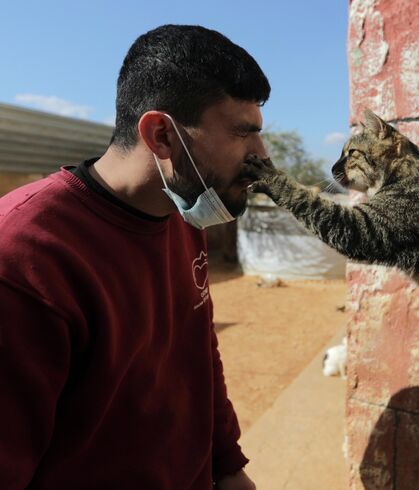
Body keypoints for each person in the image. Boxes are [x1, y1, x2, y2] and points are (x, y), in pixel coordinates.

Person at [0, 24, 271, 489]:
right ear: (162, 136)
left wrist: (228, 465)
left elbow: (198, 348)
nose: (261, 157)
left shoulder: (185, 215)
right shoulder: (24, 258)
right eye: (243, 134)